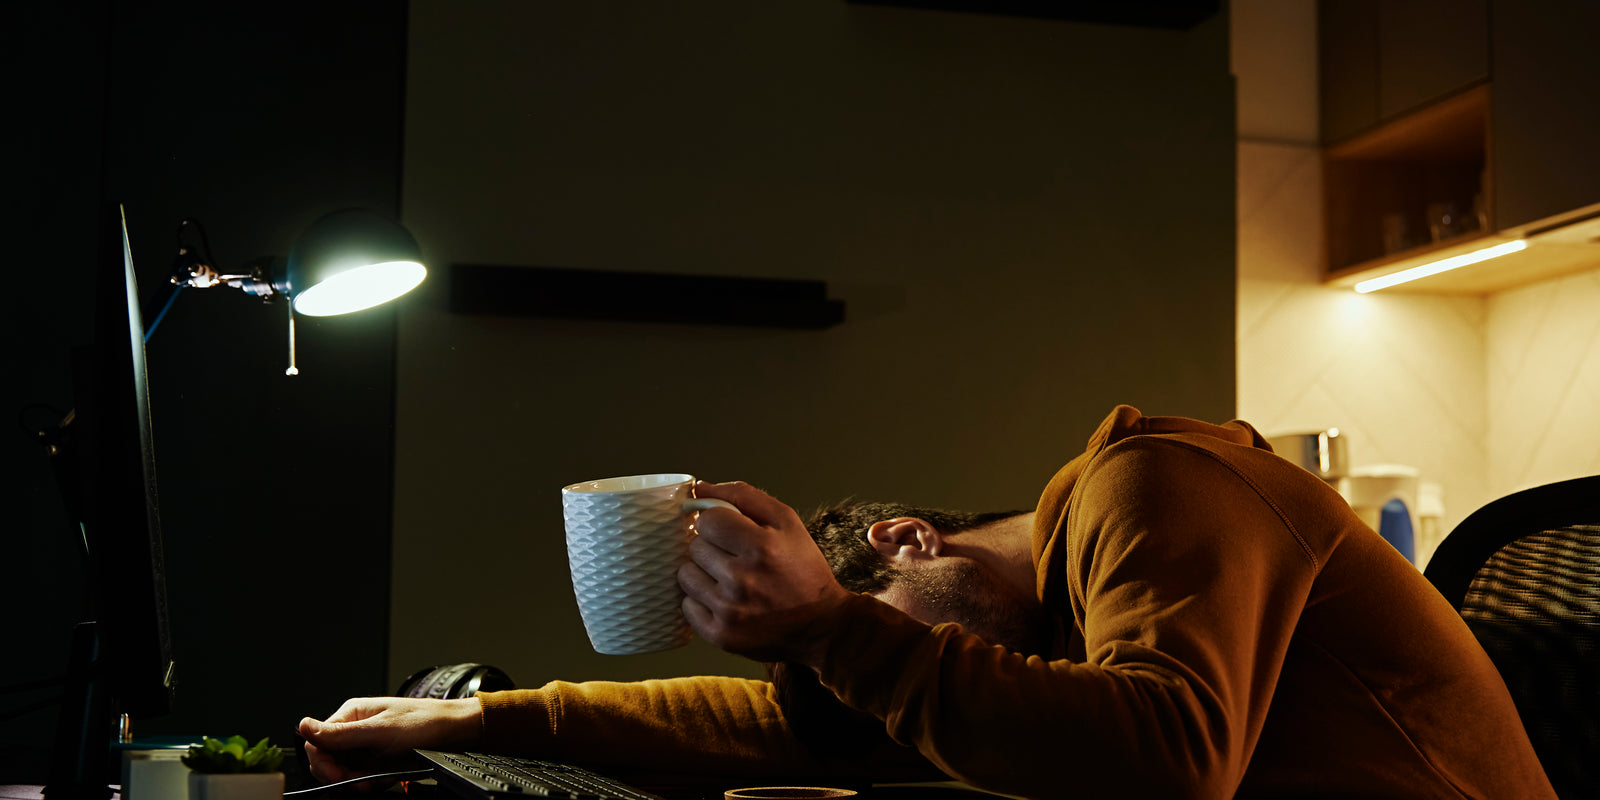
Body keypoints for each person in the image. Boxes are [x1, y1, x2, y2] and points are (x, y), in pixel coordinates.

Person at [300, 405, 1557, 799]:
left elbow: (1174, 759)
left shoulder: (1148, 477)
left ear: (908, 539)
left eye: (881, 611)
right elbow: (797, 729)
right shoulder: (1053, 643)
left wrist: (832, 628)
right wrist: (472, 724)